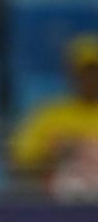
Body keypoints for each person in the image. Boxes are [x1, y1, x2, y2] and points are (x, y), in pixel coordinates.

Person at [11, 34, 98, 200]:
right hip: (57, 203)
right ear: (71, 73)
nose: (91, 78)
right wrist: (55, 154)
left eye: (96, 71)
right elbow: (19, 163)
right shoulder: (48, 114)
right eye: (85, 71)